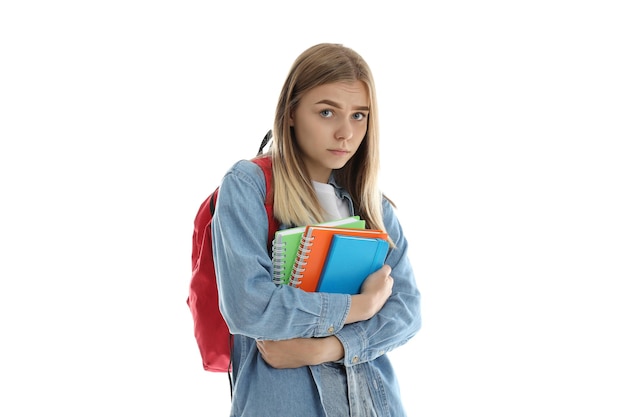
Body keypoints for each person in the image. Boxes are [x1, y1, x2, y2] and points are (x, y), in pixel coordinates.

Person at [211, 43, 421, 417]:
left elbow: (407, 312)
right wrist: (362, 306)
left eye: (359, 116)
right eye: (327, 112)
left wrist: (328, 347)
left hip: (372, 404)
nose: (345, 133)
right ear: (291, 112)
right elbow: (250, 308)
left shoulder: (373, 204)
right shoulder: (249, 186)